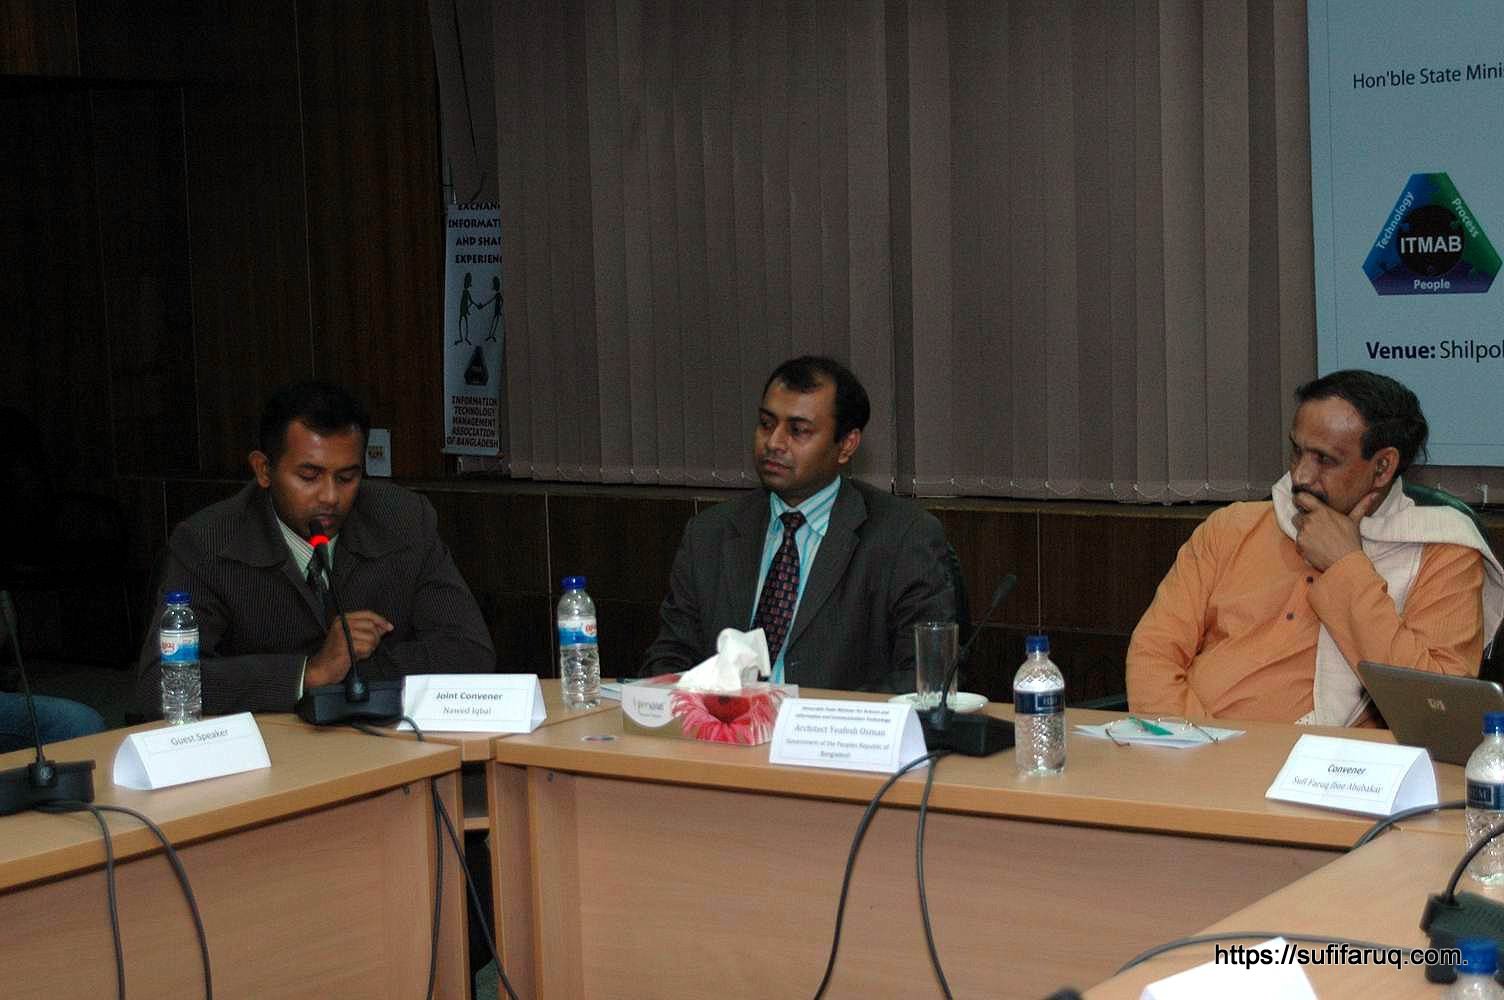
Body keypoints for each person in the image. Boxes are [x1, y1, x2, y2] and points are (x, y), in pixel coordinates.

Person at [1127, 369, 1504, 726]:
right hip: (1192, 748)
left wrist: (1347, 566)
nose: (1300, 476)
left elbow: (1435, 706)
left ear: (1383, 467)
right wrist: (1198, 743)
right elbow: (1153, 653)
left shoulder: (1443, 553)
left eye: (1325, 460)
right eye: (1297, 452)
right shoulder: (1232, 527)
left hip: (1336, 765)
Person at [135, 381, 495, 717]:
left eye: (347, 477)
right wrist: (308, 673)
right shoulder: (208, 542)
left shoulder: (404, 520)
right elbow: (159, 685)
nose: (330, 497)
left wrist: (346, 669)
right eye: (309, 476)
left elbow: (471, 651)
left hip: (383, 739)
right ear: (263, 470)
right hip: (267, 750)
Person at [643, 356, 954, 691]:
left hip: (835, 723)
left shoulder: (903, 536)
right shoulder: (709, 534)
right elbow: (669, 659)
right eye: (766, 424)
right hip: (723, 722)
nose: (774, 443)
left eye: (798, 431)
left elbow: (925, 677)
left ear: (846, 445)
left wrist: (819, 717)